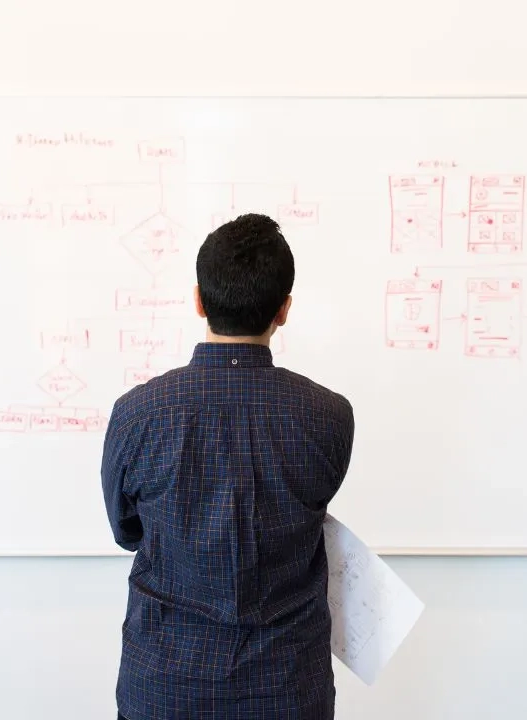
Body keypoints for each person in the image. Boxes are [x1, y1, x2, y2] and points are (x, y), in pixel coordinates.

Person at [101, 212, 355, 719]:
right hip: (287, 691)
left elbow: (127, 532)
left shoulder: (137, 414)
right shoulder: (329, 416)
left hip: (164, 688)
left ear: (198, 299)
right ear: (283, 310)